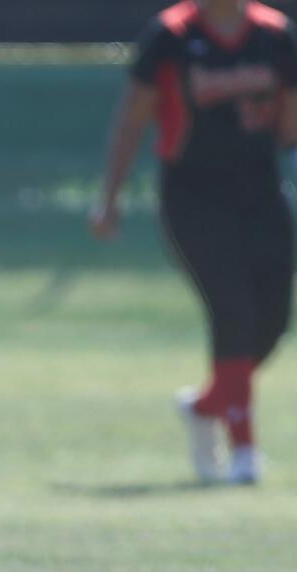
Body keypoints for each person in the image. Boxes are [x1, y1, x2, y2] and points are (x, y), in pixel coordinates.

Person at [91, 0, 297, 484]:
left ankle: (205, 405)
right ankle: (244, 448)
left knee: (271, 325)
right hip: (193, 199)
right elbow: (133, 118)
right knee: (233, 309)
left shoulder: (276, 34)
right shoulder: (172, 33)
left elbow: (290, 124)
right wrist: (110, 198)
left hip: (262, 197)